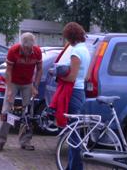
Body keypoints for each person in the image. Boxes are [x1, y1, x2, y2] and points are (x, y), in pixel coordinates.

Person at [50, 22, 90, 170]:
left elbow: (72, 77)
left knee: (73, 133)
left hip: (73, 92)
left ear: (70, 37)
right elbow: (86, 76)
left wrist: (57, 75)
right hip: (81, 92)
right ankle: (71, 166)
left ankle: (76, 168)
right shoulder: (85, 50)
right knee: (75, 131)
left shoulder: (75, 52)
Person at [0, 32, 43, 151]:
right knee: (6, 110)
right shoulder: (13, 51)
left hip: (27, 84)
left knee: (28, 113)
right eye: (25, 48)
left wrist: (35, 86)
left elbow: (40, 70)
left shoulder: (37, 52)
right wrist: (9, 90)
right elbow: (8, 72)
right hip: (13, 82)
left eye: (29, 48)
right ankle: (0, 140)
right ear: (22, 45)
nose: (27, 51)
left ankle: (25, 141)